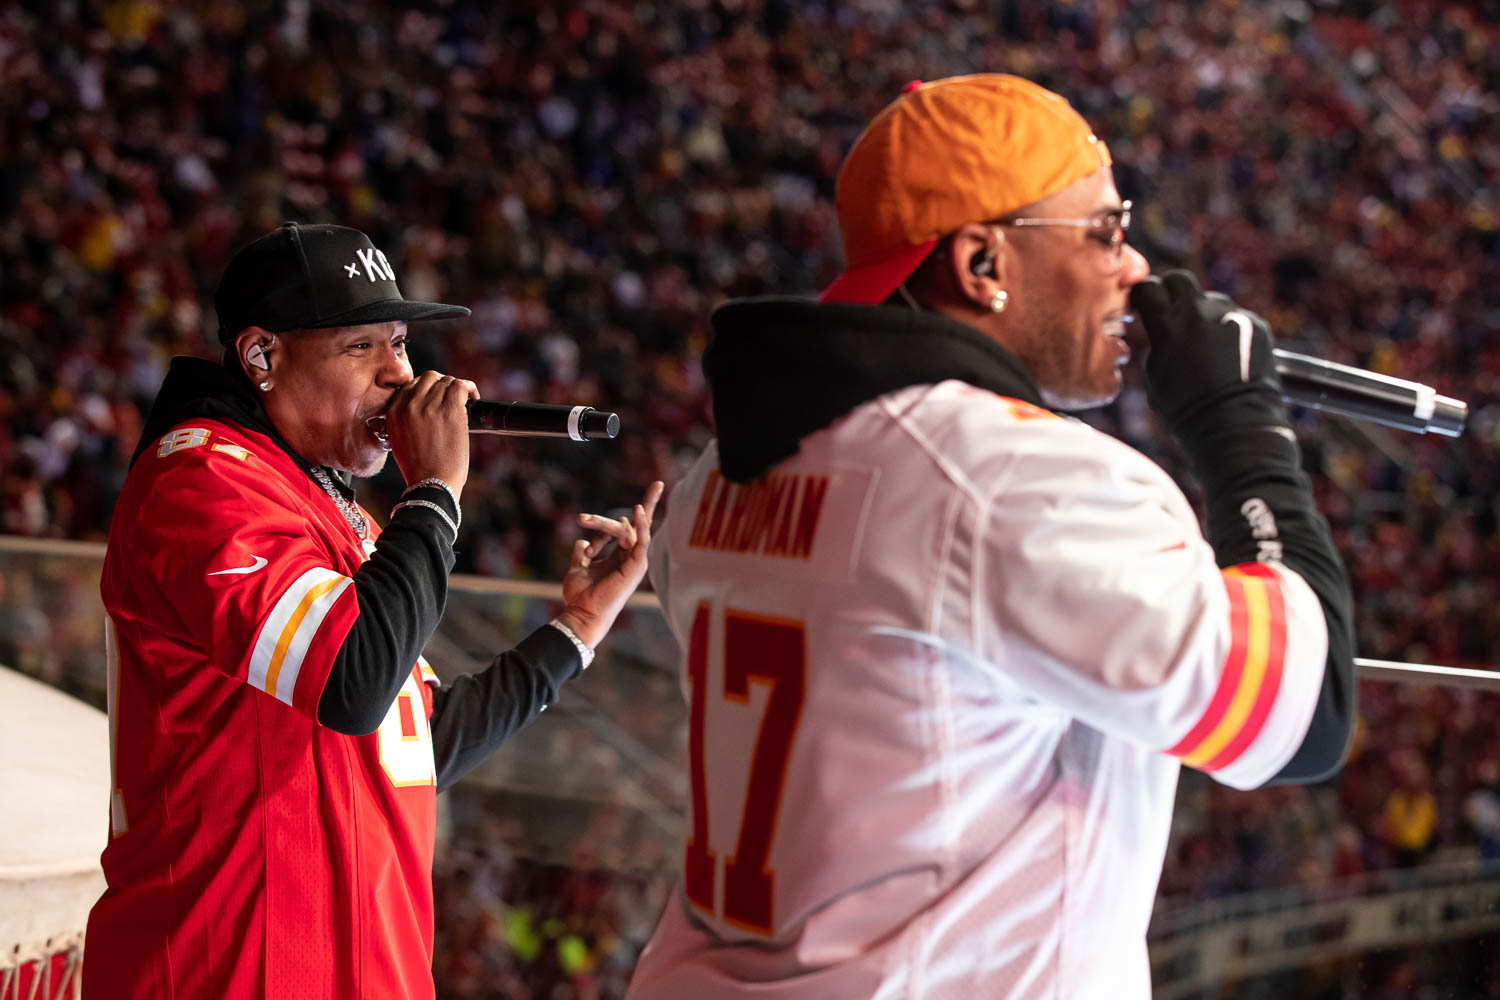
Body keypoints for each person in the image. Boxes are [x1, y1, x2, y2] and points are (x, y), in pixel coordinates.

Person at [627, 74, 1354, 998]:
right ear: (983, 265)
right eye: (1105, 231)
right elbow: (1304, 714)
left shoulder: (713, 480)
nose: (1134, 268)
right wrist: (1239, 427)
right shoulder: (1015, 481)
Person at [83, 221, 663, 999]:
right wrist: (435, 492)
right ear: (262, 356)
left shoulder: (335, 510)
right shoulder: (200, 482)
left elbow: (414, 745)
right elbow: (354, 685)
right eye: (363, 347)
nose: (401, 374)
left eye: (401, 342)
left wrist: (577, 632)